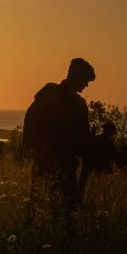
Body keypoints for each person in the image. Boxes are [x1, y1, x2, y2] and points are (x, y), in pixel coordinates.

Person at [22, 58, 95, 220]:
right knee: (40, 204)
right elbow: (31, 119)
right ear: (75, 76)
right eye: (85, 80)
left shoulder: (77, 103)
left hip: (66, 164)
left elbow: (82, 137)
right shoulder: (51, 93)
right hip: (48, 161)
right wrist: (33, 147)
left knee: (63, 209)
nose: (86, 85)